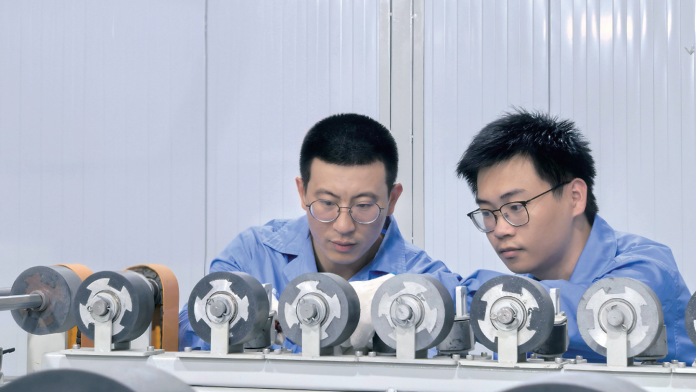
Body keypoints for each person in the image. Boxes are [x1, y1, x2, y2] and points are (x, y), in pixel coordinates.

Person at [180, 113, 461, 351]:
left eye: (364, 205)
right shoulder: (252, 256)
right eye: (326, 203)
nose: (344, 226)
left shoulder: (426, 282)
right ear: (302, 192)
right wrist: (246, 323)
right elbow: (185, 333)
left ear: (392, 199)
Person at [455, 109, 696, 363]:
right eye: (487, 212)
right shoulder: (525, 290)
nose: (500, 230)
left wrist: (460, 296)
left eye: (515, 207)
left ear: (575, 197)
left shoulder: (647, 270)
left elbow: (594, 311)